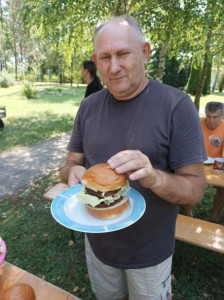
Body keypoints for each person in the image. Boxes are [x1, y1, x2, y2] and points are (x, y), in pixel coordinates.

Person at [61, 15, 206, 300]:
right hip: (98, 247)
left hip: (150, 255)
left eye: (123, 54)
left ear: (145, 51)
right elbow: (70, 163)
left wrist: (154, 177)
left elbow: (196, 189)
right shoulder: (89, 107)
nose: (113, 67)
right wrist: (71, 173)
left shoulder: (176, 105)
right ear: (95, 59)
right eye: (105, 57)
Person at [200, 102, 224, 222]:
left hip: (216, 165)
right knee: (188, 180)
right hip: (198, 162)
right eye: (208, 116)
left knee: (222, 188)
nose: (211, 120)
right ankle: (188, 213)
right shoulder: (197, 123)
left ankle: (214, 216)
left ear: (221, 116)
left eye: (215, 117)